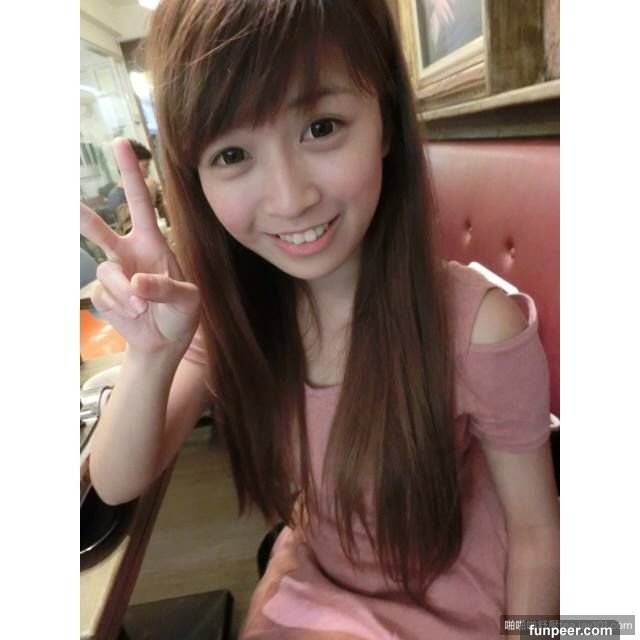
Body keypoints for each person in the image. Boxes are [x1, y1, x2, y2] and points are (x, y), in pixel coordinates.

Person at [79, 1, 559, 637]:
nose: (290, 198)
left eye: (321, 126)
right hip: (318, 577)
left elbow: (536, 531)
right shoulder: (231, 316)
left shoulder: (479, 328)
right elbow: (116, 484)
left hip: (456, 599)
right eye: (232, 154)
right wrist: (150, 353)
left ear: (385, 122)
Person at [105, 138, 163, 233]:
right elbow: (135, 227)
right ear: (131, 165)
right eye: (145, 166)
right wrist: (150, 191)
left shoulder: (147, 187)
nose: (148, 173)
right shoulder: (116, 197)